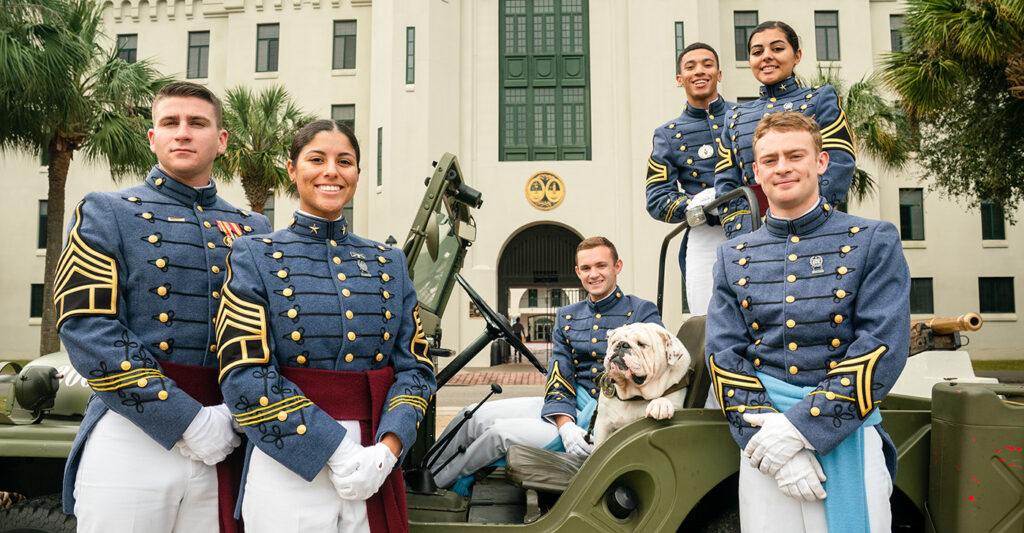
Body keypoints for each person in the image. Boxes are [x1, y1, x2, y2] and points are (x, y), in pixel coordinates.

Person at [54, 81, 271, 532]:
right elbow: (87, 328)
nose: (183, 133)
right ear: (153, 137)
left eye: (197, 123)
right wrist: (186, 419)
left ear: (221, 140)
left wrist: (237, 415)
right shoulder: (107, 211)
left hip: (226, 439)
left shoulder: (254, 229)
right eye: (170, 123)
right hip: (131, 432)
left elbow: (271, 335)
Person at [216, 119, 435, 533]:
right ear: (292, 169)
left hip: (375, 457)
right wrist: (334, 449)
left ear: (357, 173)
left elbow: (417, 371)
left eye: (345, 161)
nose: (332, 171)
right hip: (288, 457)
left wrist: (387, 451)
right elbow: (244, 373)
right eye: (316, 159)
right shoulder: (253, 255)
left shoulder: (389, 262)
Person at [705, 111, 909, 533]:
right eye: (770, 159)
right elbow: (724, 357)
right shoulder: (731, 256)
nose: (782, 167)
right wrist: (781, 450)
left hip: (847, 435)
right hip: (763, 448)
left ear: (820, 162)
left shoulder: (873, 239)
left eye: (795, 155)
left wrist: (801, 430)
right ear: (756, 172)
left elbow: (881, 348)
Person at [431, 237, 662, 489]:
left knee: (499, 435)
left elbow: (656, 367)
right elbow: (559, 374)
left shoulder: (641, 311)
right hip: (572, 405)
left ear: (617, 266)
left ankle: (436, 485)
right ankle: (421, 473)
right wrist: (565, 426)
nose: (593, 274)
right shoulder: (567, 315)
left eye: (601, 266)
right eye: (586, 268)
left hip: (612, 418)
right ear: (577, 272)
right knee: (471, 415)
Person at [715, 20, 855, 239]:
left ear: (797, 55)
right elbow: (725, 183)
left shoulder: (821, 98)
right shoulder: (734, 117)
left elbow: (839, 163)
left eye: (777, 49)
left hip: (814, 228)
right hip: (754, 233)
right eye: (757, 52)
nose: (766, 56)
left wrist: (805, 216)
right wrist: (745, 231)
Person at [645, 42, 735, 316]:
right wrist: (697, 203)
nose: (700, 71)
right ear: (679, 79)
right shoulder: (668, 134)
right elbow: (657, 199)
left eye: (707, 65)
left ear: (719, 73)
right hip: (704, 232)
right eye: (690, 66)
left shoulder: (745, 116)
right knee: (708, 317)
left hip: (752, 222)